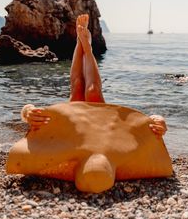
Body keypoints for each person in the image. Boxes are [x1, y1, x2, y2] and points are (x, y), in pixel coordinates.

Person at [24, 14, 167, 138]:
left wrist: (28, 112)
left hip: (79, 134)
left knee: (78, 87)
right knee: (91, 90)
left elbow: (28, 111)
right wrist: (157, 120)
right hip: (99, 133)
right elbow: (149, 124)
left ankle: (83, 44)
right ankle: (86, 46)